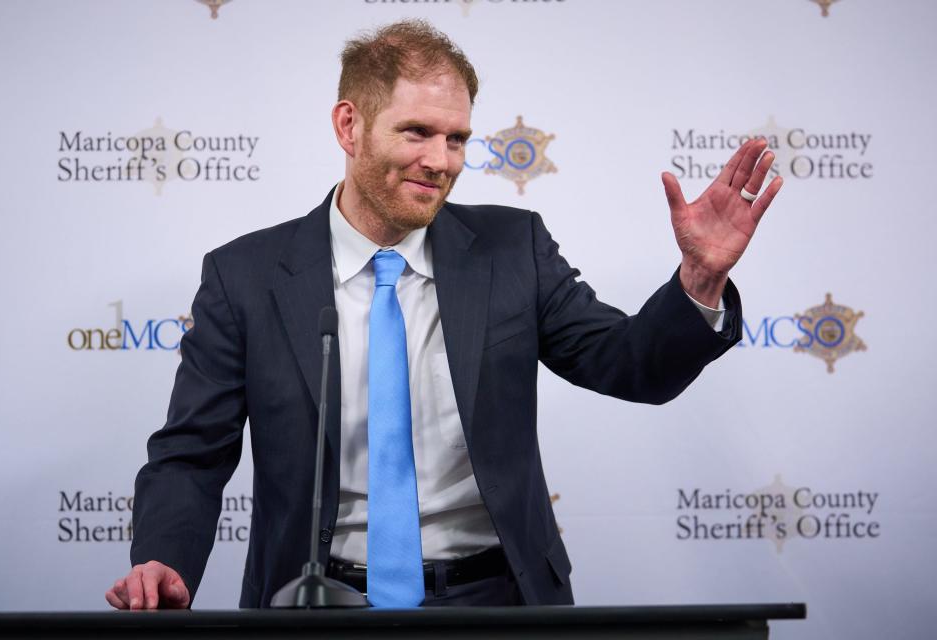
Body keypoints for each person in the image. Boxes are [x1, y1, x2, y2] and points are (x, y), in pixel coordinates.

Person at [106, 19, 781, 610]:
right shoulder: (245, 277)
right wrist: (164, 556)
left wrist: (699, 278)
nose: (442, 161)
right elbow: (192, 452)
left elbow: (631, 366)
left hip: (499, 599)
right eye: (418, 132)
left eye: (457, 138)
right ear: (349, 125)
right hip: (316, 601)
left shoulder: (514, 249)